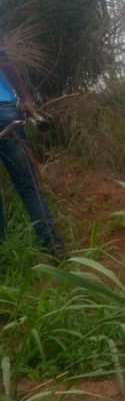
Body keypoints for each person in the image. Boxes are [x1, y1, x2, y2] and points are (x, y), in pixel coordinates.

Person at [0, 45, 63, 259]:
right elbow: (3, 58)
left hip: (5, 112)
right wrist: (25, 98)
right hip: (4, 112)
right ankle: (54, 248)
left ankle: (4, 256)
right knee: (29, 185)